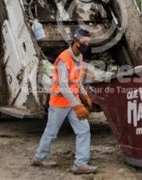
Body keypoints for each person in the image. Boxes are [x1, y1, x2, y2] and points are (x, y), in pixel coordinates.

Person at [33, 28, 97, 174]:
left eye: (88, 43)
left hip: (73, 102)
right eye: (84, 43)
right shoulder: (63, 59)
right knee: (51, 132)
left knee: (84, 130)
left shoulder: (79, 57)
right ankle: (40, 157)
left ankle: (80, 163)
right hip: (59, 103)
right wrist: (77, 105)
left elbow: (76, 80)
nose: (86, 46)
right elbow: (63, 85)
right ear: (75, 42)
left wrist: (84, 94)